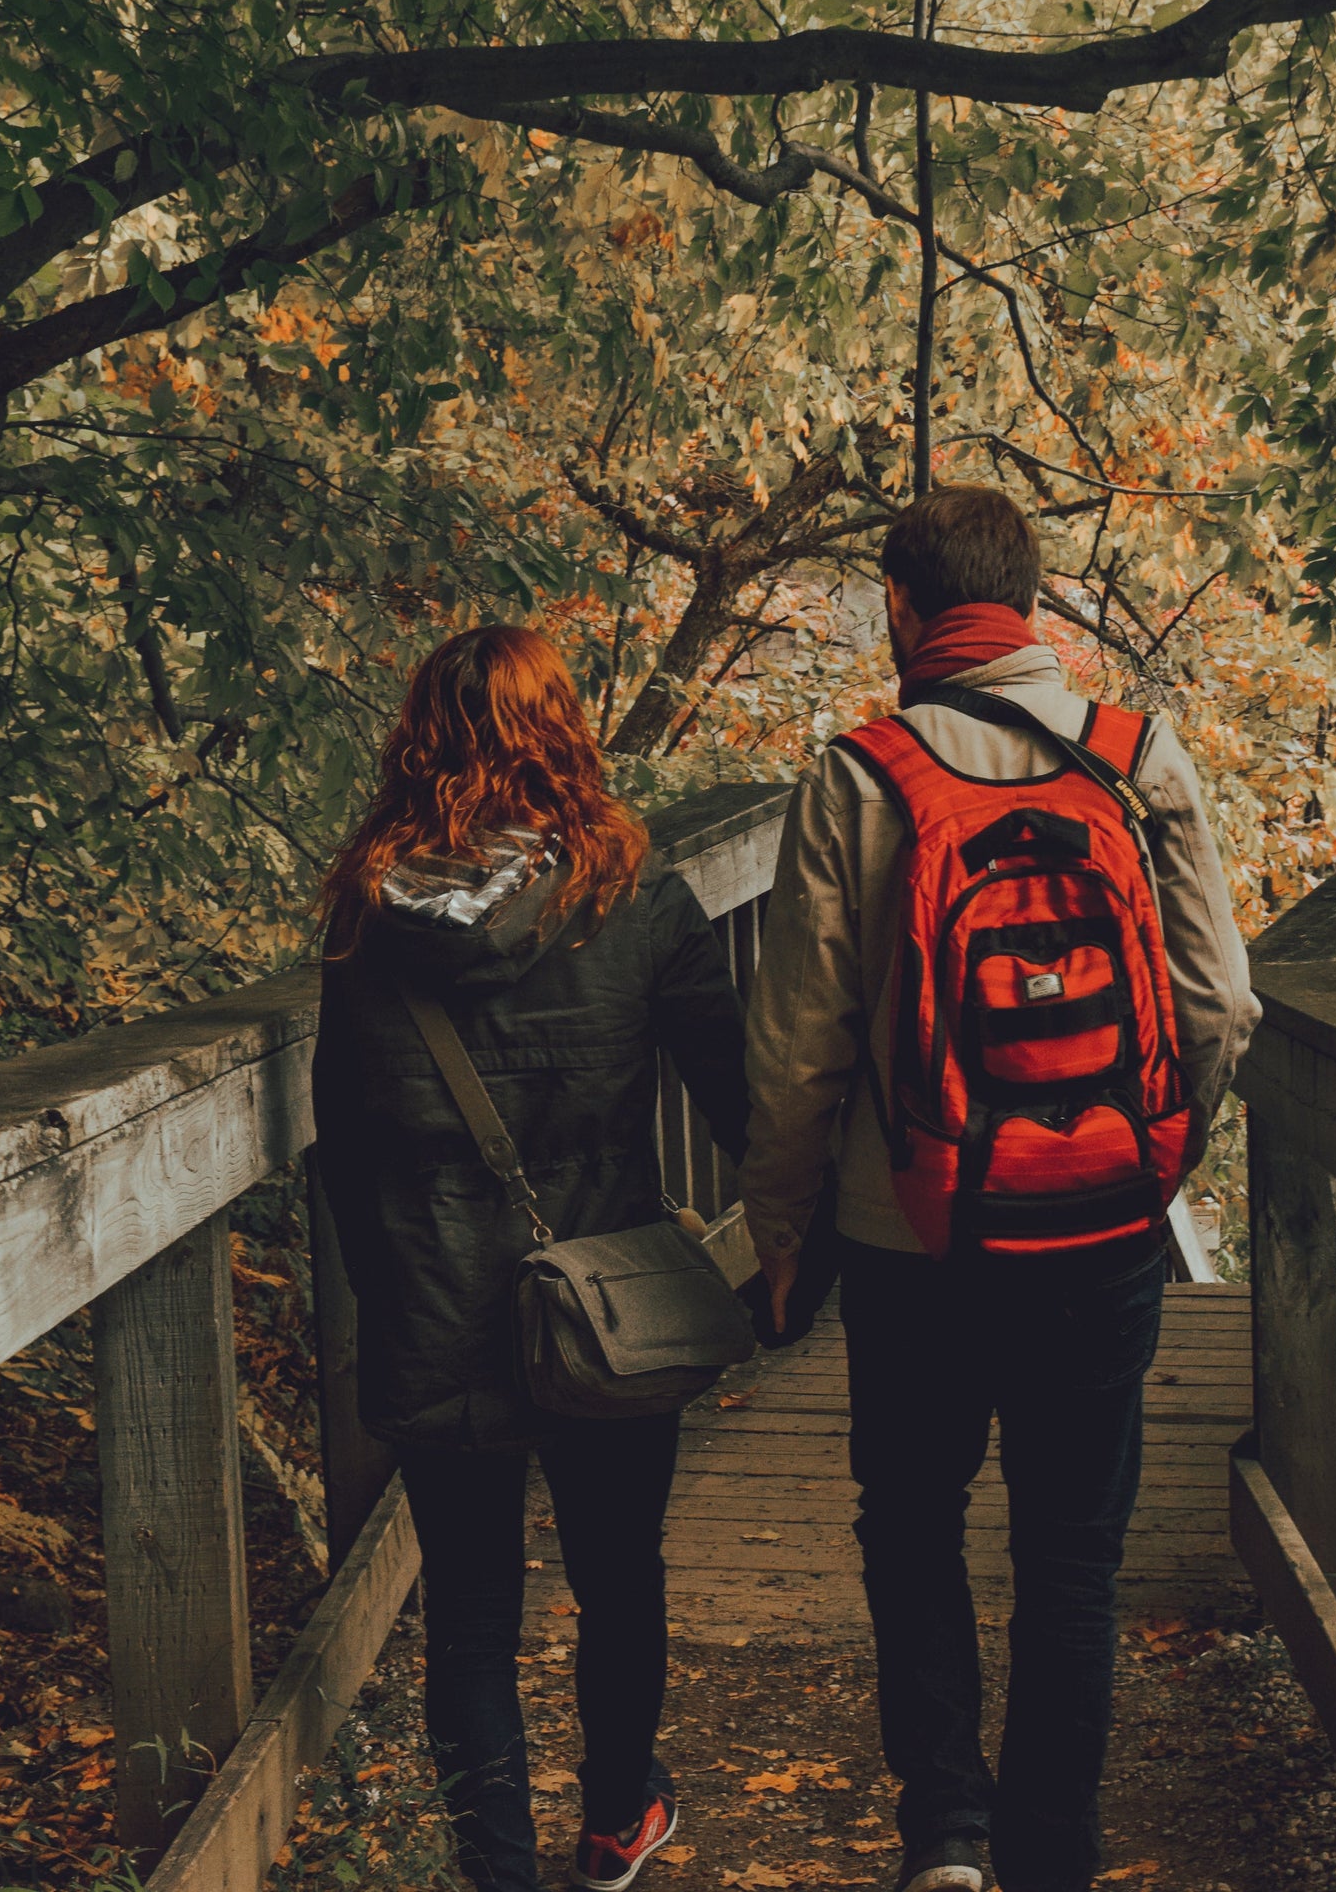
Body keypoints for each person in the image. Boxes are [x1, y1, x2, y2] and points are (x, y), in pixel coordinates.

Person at [739, 489, 1259, 1892]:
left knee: (911, 1524)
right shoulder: (1140, 759)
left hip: (909, 1237)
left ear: (904, 612)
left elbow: (799, 1047)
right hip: (1098, 1226)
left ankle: (947, 1842)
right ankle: (1053, 1857)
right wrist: (1146, 1154)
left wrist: (780, 1233)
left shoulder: (859, 775)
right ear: (1030, 608)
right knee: (1072, 1551)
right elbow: (1217, 1008)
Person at [311, 625, 748, 1892]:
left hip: (434, 1293)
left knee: (471, 1610)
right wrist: (796, 1252)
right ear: (562, 732)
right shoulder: (632, 891)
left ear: (422, 739)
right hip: (603, 1291)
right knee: (619, 1570)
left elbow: (348, 1134)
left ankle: (496, 1867)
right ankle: (617, 1818)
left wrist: (390, 1287)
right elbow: (735, 1091)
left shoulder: (366, 913)